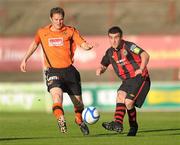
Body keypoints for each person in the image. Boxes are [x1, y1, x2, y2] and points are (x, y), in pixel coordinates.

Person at [20, 7, 93, 135]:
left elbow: (81, 42)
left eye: (61, 19)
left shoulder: (70, 31)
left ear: (63, 19)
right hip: (53, 71)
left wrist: (87, 47)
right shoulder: (42, 32)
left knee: (79, 104)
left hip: (70, 71)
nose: (59, 22)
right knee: (57, 96)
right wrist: (25, 59)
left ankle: (79, 120)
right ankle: (61, 119)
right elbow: (34, 44)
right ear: (51, 19)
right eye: (56, 19)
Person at [96, 26, 151, 136]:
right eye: (111, 38)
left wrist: (141, 68)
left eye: (116, 37)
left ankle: (133, 126)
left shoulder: (129, 46)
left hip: (140, 78)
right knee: (120, 95)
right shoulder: (109, 52)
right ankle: (118, 123)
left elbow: (145, 55)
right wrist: (100, 69)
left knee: (128, 102)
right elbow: (103, 65)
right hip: (127, 81)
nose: (114, 40)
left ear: (121, 38)